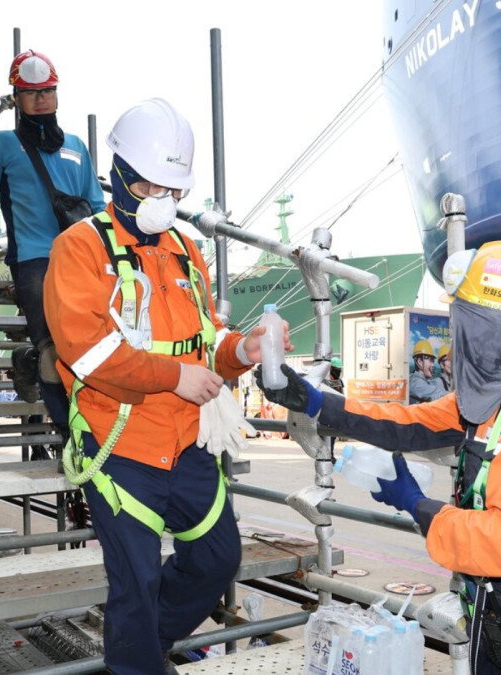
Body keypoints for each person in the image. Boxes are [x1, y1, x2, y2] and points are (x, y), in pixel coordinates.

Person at [257, 241, 501, 674]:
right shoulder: (500, 398)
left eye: (462, 321)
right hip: (499, 612)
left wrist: (416, 504)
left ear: (488, 330)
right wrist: (314, 401)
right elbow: (406, 423)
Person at [45, 98, 289, 674]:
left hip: (187, 444)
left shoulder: (184, 250)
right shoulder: (79, 248)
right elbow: (90, 352)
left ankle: (143, 648)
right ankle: (138, 659)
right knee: (136, 582)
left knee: (216, 559)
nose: (166, 202)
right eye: (154, 188)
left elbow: (207, 337)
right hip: (120, 447)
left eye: (173, 191)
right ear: (122, 180)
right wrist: (175, 377)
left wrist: (242, 350)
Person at [0, 49, 105, 436]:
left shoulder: (77, 145)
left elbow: (96, 206)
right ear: (16, 98)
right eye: (30, 92)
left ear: (57, 93)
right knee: (52, 354)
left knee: (92, 350)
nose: (41, 98)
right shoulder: (2, 144)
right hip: (34, 261)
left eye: (47, 90)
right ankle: (70, 437)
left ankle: (93, 428)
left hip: (82, 260)